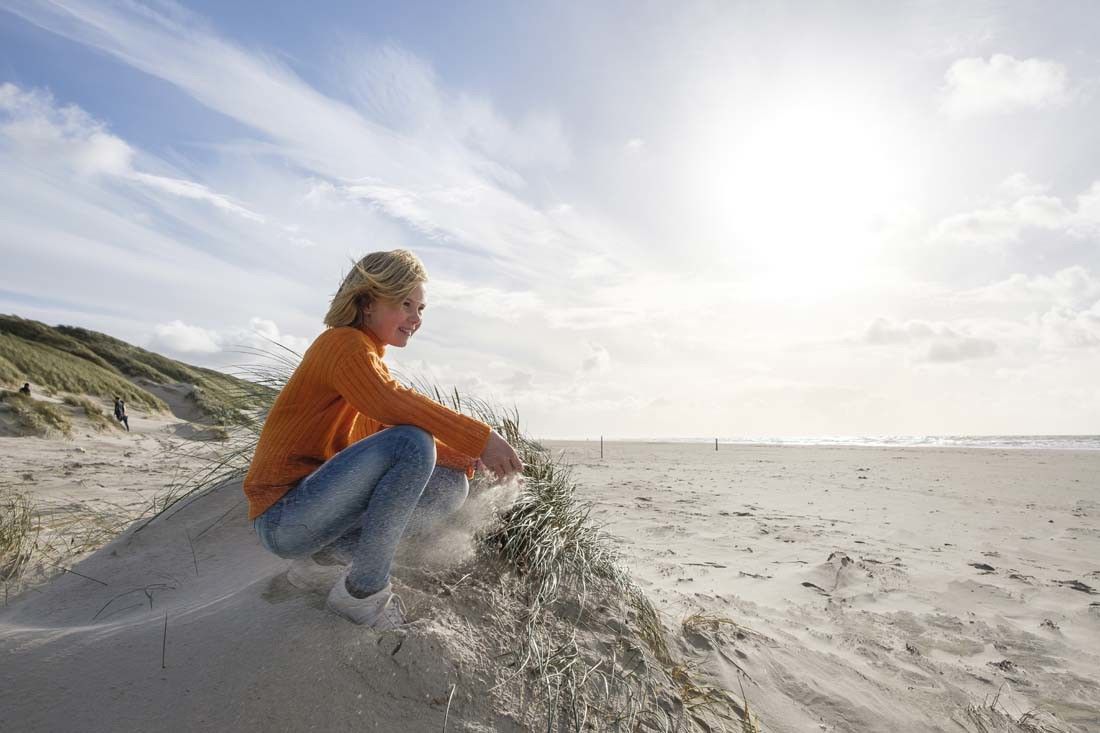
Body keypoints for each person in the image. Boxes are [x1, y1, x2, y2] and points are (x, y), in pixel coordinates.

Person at [244, 249, 523, 630]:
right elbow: (388, 402)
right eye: (405, 304)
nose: (416, 318)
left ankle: (322, 563)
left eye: (421, 308)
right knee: (412, 441)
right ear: (367, 302)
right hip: (284, 517)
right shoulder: (342, 344)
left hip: (316, 517)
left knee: (449, 483)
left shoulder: (367, 357)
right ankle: (363, 593)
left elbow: (377, 430)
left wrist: (466, 458)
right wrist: (483, 438)